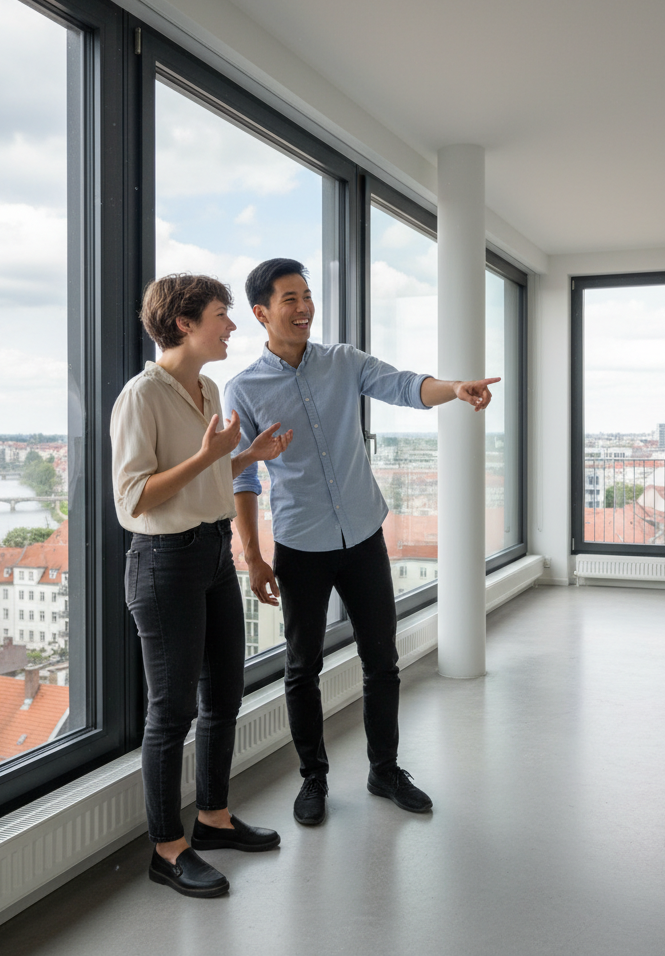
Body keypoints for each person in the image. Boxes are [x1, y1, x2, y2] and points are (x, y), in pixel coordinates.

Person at [224, 257, 498, 827]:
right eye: (289, 300)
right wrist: (252, 556)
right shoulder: (244, 389)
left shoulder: (344, 362)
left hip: (363, 535)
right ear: (261, 313)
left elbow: (403, 385)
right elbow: (242, 477)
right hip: (300, 545)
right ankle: (313, 779)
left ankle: (384, 769)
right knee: (302, 668)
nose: (304, 309)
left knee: (382, 661)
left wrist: (455, 388)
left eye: (307, 296)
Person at [110, 273, 292, 898]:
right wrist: (213, 456)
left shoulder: (208, 387)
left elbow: (210, 479)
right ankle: (167, 848)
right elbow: (133, 500)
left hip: (213, 551)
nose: (232, 326)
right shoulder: (142, 396)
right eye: (222, 314)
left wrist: (250, 455)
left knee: (224, 694)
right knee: (172, 712)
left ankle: (213, 818)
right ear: (185, 323)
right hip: (164, 561)